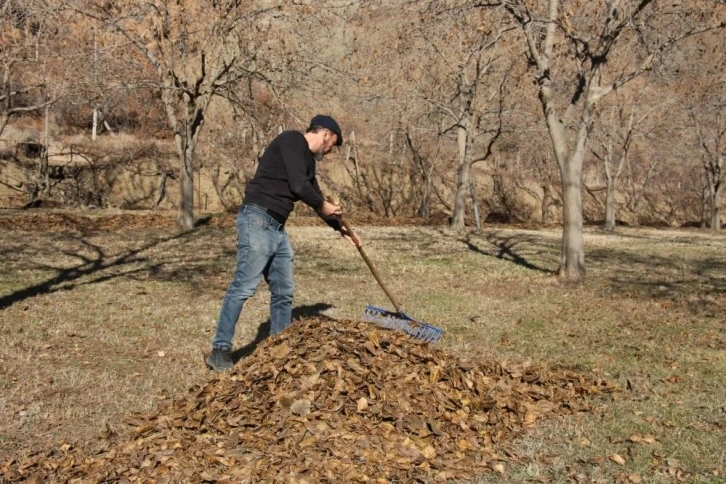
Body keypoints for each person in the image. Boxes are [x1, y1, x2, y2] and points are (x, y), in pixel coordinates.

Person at [205, 114, 361, 371]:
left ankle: (279, 350)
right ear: (325, 135)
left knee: (284, 290)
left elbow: (316, 196)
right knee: (243, 286)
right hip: (257, 219)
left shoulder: (307, 162)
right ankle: (220, 350)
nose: (332, 149)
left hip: (276, 227)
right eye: (334, 142)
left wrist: (340, 229)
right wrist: (324, 205)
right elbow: (300, 187)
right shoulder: (291, 141)